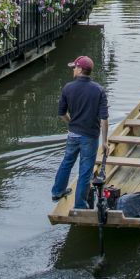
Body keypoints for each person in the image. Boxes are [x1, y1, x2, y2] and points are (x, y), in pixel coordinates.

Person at [51, 55, 109, 210]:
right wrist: (105, 141)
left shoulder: (67, 88)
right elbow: (104, 119)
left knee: (67, 162)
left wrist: (72, 124)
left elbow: (62, 113)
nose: (73, 70)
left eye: (74, 67)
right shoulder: (99, 90)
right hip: (90, 136)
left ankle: (57, 191)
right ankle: (79, 205)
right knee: (85, 170)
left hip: (73, 134)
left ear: (80, 69)